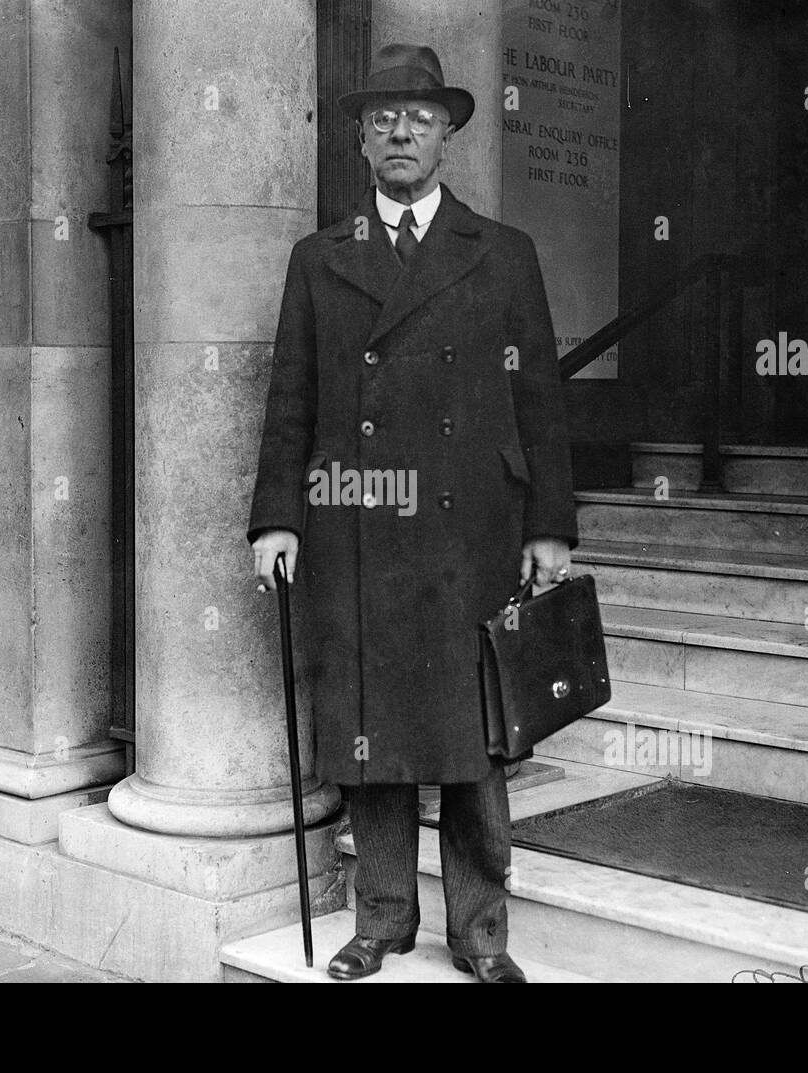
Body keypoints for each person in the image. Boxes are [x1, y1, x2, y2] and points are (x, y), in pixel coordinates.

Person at [248, 43, 576, 982]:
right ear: (359, 139)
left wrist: (548, 524)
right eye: (384, 119)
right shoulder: (320, 258)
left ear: (448, 137)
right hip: (355, 525)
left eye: (420, 119)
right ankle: (383, 920)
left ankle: (480, 936)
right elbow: (291, 400)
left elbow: (543, 402)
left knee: (475, 740)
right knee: (370, 729)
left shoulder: (505, 254)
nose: (401, 132)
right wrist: (277, 517)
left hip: (472, 524)